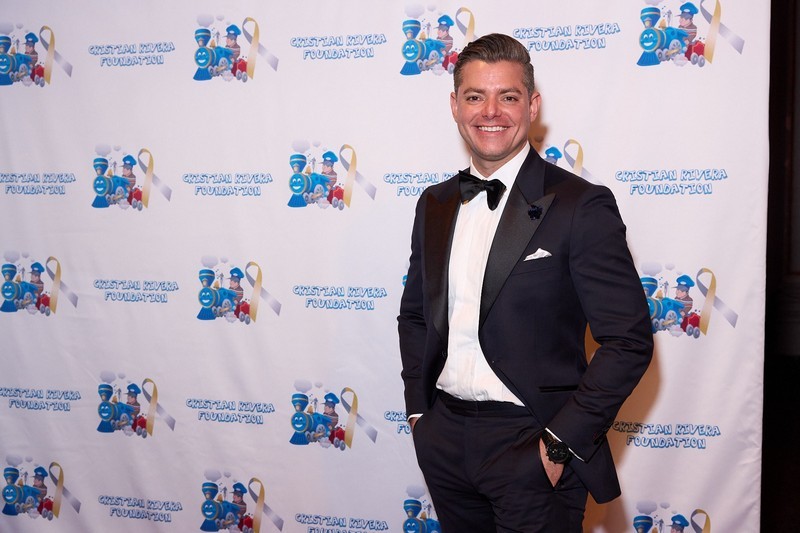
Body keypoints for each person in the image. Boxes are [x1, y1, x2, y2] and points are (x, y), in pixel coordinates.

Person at [398, 33, 653, 532]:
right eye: (475, 96)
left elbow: (628, 340)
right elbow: (415, 315)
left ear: (532, 105)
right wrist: (419, 415)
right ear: (455, 106)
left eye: (508, 96)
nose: (490, 112)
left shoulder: (581, 205)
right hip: (444, 440)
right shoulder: (435, 203)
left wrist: (558, 445)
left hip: (533, 444)